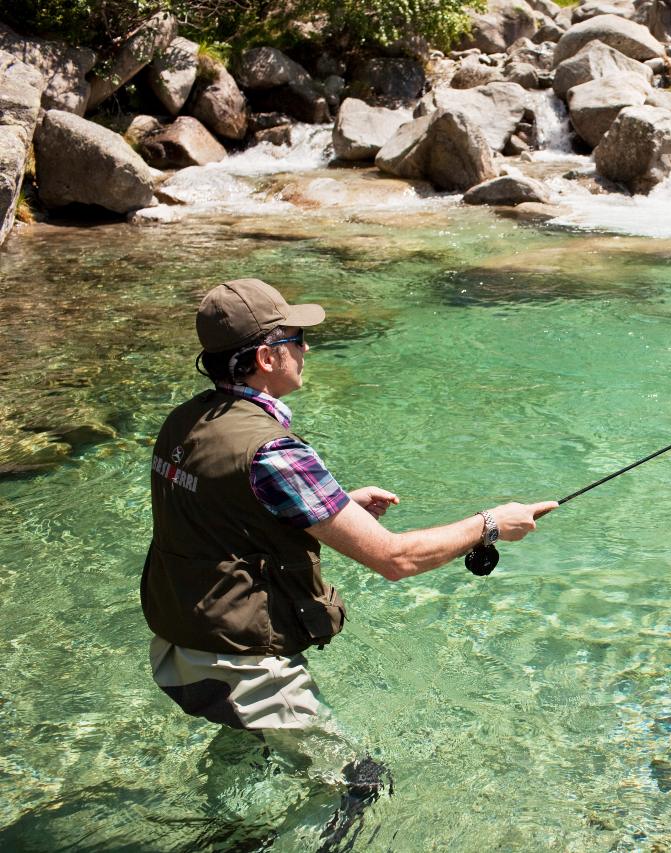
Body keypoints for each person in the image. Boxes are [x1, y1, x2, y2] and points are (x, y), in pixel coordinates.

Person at [142, 277, 557, 834]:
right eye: (296, 338)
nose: (306, 349)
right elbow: (396, 560)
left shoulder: (187, 420)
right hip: (240, 662)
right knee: (359, 784)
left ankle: (225, 835)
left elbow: (218, 514)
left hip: (177, 646)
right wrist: (490, 525)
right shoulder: (274, 453)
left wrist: (334, 507)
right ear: (266, 356)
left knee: (248, 748)